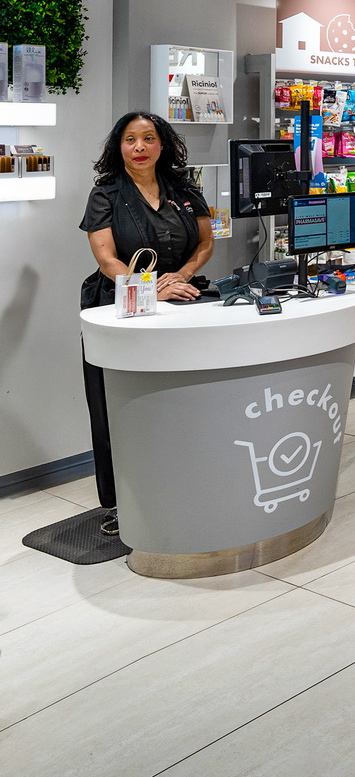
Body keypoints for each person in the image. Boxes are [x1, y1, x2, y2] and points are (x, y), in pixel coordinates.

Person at [79, 112, 215, 536]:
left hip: (182, 300)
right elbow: (106, 258)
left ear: (162, 145)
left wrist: (182, 276)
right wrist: (152, 289)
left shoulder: (185, 190)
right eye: (130, 139)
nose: (139, 147)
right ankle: (124, 503)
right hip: (121, 308)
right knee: (120, 407)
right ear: (118, 147)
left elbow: (205, 242)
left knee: (184, 401)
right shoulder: (105, 195)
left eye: (149, 138)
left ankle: (189, 488)